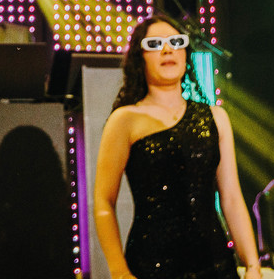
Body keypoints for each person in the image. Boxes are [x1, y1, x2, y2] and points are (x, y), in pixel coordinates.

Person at [93, 15, 261, 279]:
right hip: (152, 266)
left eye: (176, 42)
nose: (167, 49)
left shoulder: (215, 117)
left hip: (215, 264)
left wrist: (252, 265)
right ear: (140, 57)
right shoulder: (124, 120)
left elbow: (230, 197)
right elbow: (104, 201)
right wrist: (119, 272)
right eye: (155, 44)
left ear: (185, 53)